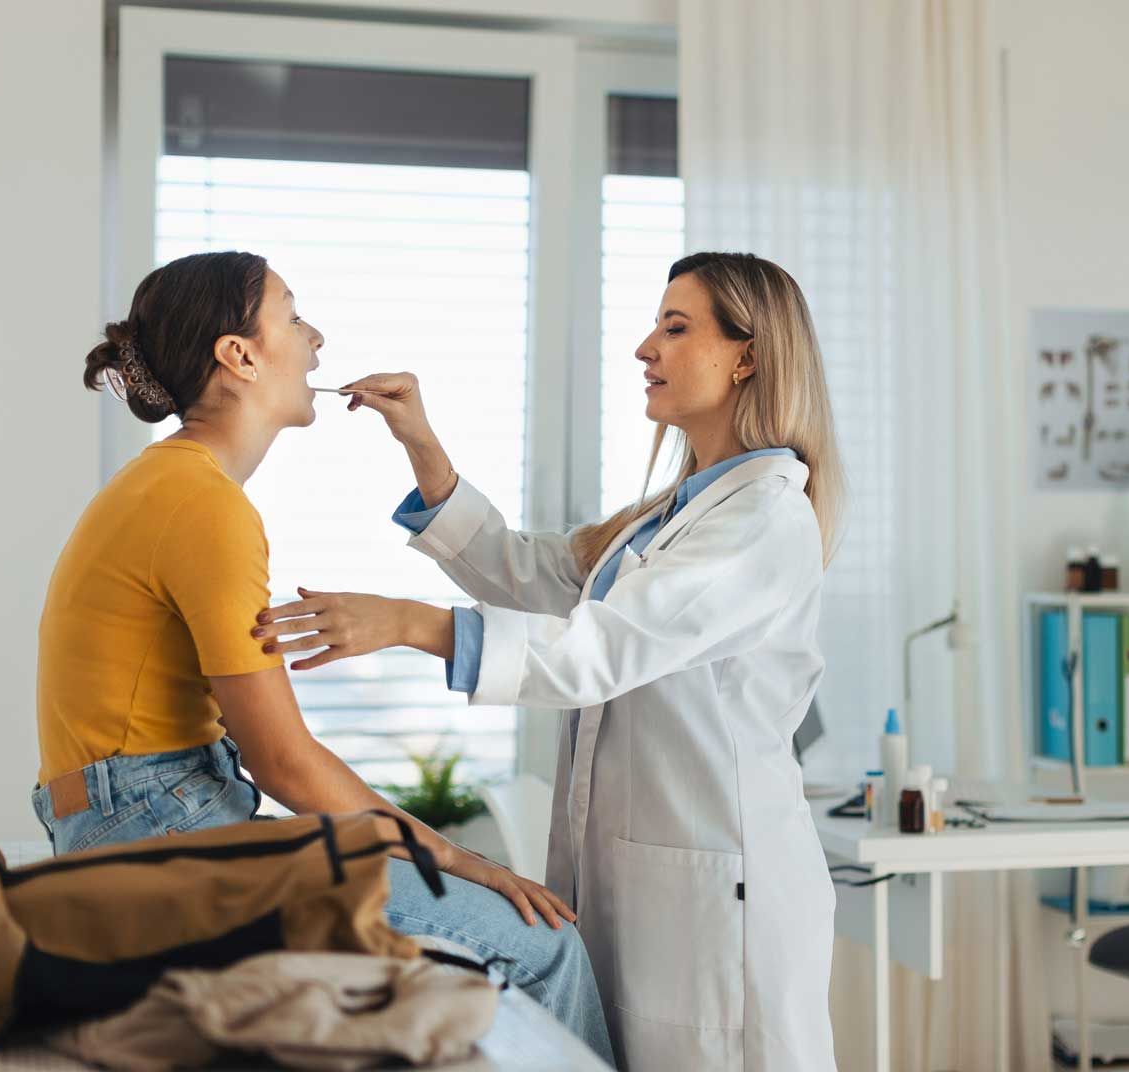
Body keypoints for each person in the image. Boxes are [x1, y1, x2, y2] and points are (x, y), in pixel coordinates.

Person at [256, 252, 845, 1071]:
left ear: (747, 355)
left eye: (675, 328)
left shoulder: (765, 520)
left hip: (721, 898)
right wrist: (421, 443)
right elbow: (522, 571)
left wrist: (409, 624)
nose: (646, 347)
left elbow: (594, 652)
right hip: (642, 880)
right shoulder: (669, 517)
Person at [32, 250, 613, 1065]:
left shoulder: (167, 486)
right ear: (238, 356)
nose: (317, 340)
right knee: (540, 943)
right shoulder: (204, 506)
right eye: (294, 316)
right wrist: (452, 857)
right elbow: (284, 761)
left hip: (141, 823)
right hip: (161, 835)